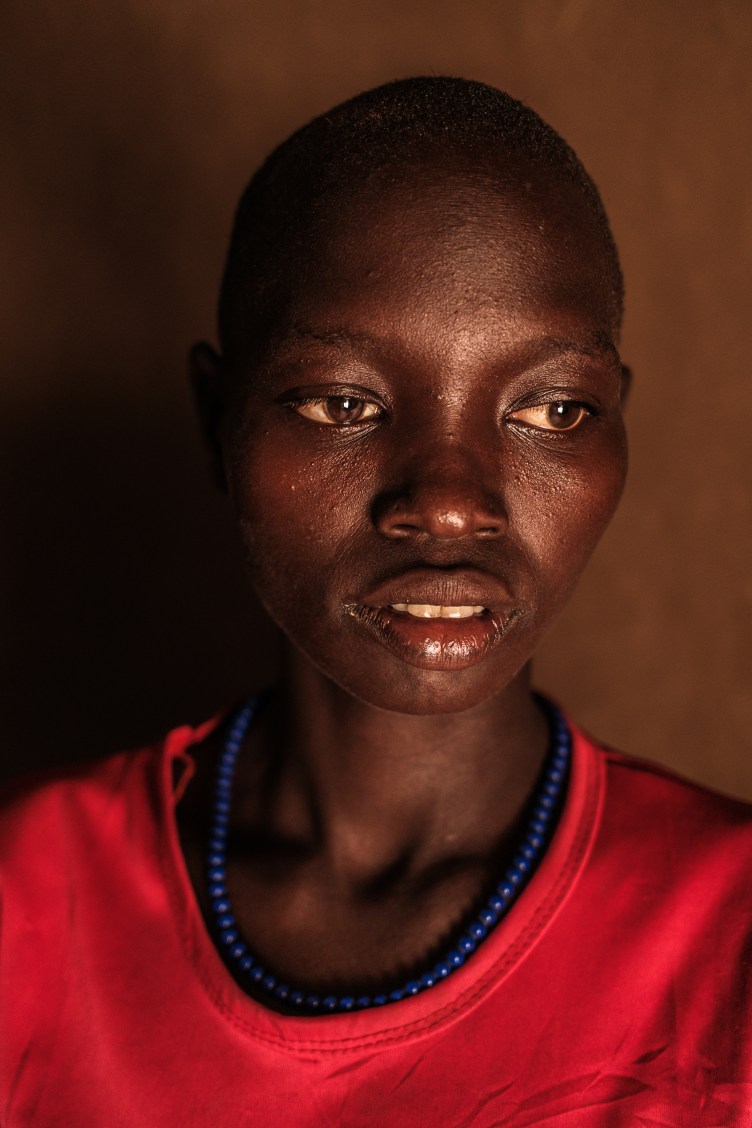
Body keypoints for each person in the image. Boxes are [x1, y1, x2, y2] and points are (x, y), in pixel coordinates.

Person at [2, 76, 751, 1126]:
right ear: (217, 420)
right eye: (342, 403)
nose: (447, 505)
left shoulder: (730, 942)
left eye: (552, 410)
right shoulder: (26, 902)